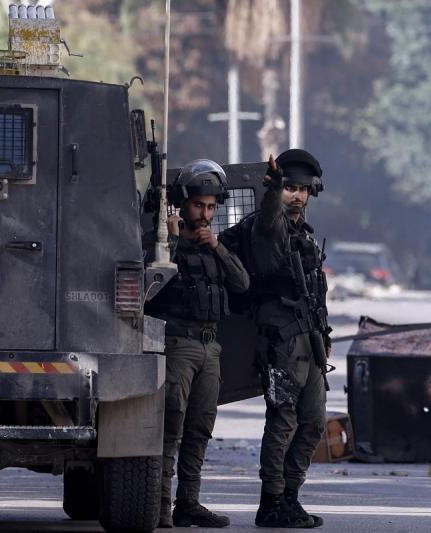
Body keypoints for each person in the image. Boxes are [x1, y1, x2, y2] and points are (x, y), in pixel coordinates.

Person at [219, 149, 331, 528]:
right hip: (280, 341)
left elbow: (317, 290)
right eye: (290, 188)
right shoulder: (268, 227)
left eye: (303, 189)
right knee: (282, 420)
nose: (297, 196)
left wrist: (323, 333)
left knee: (313, 422)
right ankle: (270, 502)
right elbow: (269, 216)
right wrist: (272, 189)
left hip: (309, 338)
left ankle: (290, 498)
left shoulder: (304, 236)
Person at [144, 159, 250, 528]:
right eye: (198, 206)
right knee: (170, 425)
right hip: (177, 343)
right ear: (183, 204)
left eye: (210, 207)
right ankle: (157, 505)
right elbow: (149, 285)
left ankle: (188, 502)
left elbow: (242, 284)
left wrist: (218, 248)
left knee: (200, 426)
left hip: (210, 347)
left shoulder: (215, 248)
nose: (205, 214)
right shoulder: (163, 245)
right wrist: (171, 242)